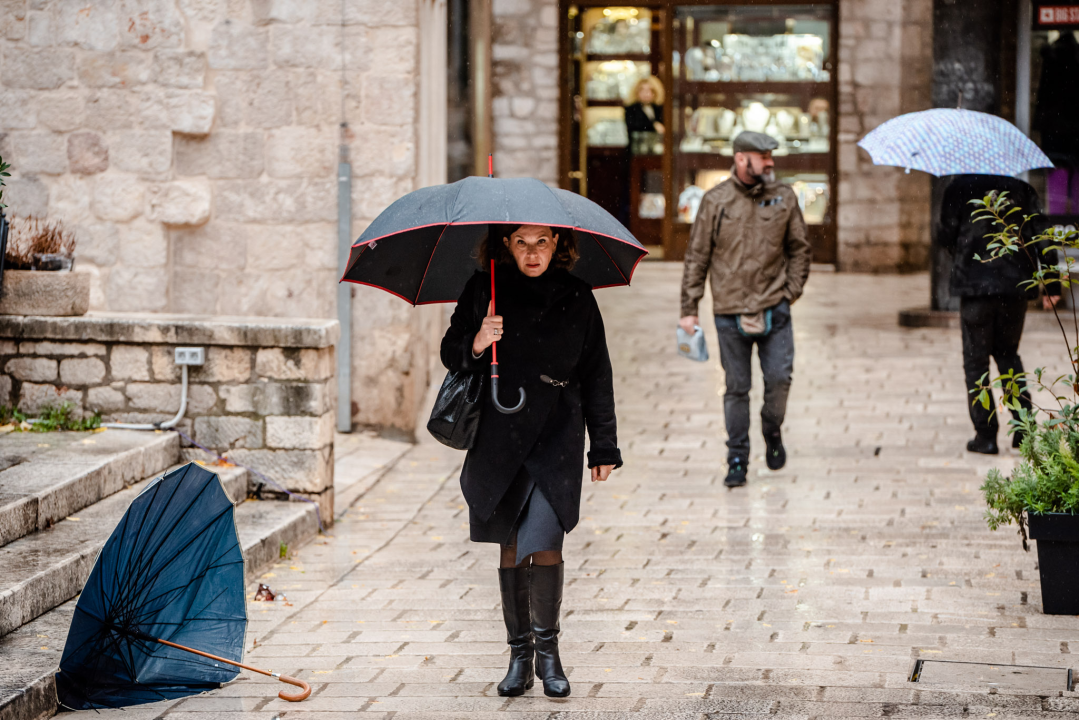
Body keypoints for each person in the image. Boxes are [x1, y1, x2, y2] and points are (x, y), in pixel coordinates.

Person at [440, 224, 621, 698]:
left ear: (558, 244)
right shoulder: (486, 289)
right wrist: (479, 340)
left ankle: (549, 654)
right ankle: (519, 656)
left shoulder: (578, 296)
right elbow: (450, 352)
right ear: (506, 245)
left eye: (542, 241)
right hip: (501, 440)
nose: (532, 251)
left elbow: (597, 373)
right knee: (509, 544)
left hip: (557, 436)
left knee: (545, 540)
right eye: (522, 241)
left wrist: (604, 446)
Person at [679, 131, 811, 487]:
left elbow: (800, 248)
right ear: (741, 159)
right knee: (737, 388)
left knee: (779, 380)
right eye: (763, 156)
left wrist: (790, 291)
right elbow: (697, 257)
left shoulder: (783, 197)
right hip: (729, 312)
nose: (770, 162)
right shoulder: (715, 201)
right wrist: (689, 308)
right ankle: (737, 458)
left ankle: (773, 429)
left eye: (771, 155)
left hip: (775, 308)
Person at [937, 175, 1060, 454]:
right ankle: (1023, 429)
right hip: (1014, 286)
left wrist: (964, 253)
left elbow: (944, 234)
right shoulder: (1021, 190)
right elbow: (1042, 235)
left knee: (976, 362)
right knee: (1007, 354)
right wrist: (1051, 284)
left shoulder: (957, 188)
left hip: (975, 287)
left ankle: (986, 435)